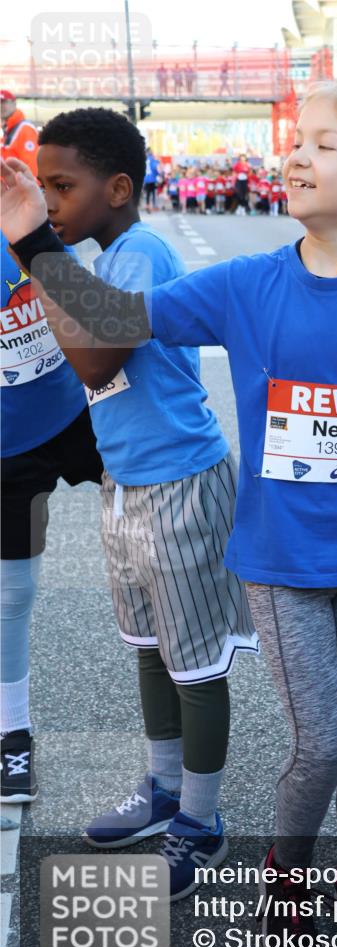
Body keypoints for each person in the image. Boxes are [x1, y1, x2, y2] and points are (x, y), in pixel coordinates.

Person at [1, 81, 337, 947]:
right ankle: (288, 882)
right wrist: (30, 234)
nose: (297, 156)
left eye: (322, 146)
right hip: (279, 561)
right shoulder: (248, 284)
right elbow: (110, 323)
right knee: (326, 738)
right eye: (297, 141)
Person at [9, 107, 258, 900]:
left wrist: (32, 246)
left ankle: (202, 820)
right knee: (148, 648)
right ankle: (161, 788)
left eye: (62, 185)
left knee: (195, 665)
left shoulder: (141, 250)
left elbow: (96, 359)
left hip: (181, 480)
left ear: (117, 189)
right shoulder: (101, 256)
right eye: (39, 184)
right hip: (129, 483)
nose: (48, 198)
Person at [1, 95, 103, 808]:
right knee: (15, 589)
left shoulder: (27, 176)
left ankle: (190, 704)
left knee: (166, 533)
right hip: (9, 438)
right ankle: (13, 735)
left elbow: (104, 291)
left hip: (85, 403)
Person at [1, 90, 38, 177]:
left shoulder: (25, 129)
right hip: (11, 187)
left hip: (22, 188)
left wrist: (30, 189)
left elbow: (32, 166)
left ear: (14, 103)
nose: (1, 106)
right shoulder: (8, 130)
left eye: (4, 102)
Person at [143, 147, 161, 213]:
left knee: (147, 193)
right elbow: (157, 168)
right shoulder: (153, 160)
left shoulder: (145, 159)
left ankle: (147, 205)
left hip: (146, 179)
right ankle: (154, 206)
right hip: (153, 179)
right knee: (154, 193)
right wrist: (160, 174)